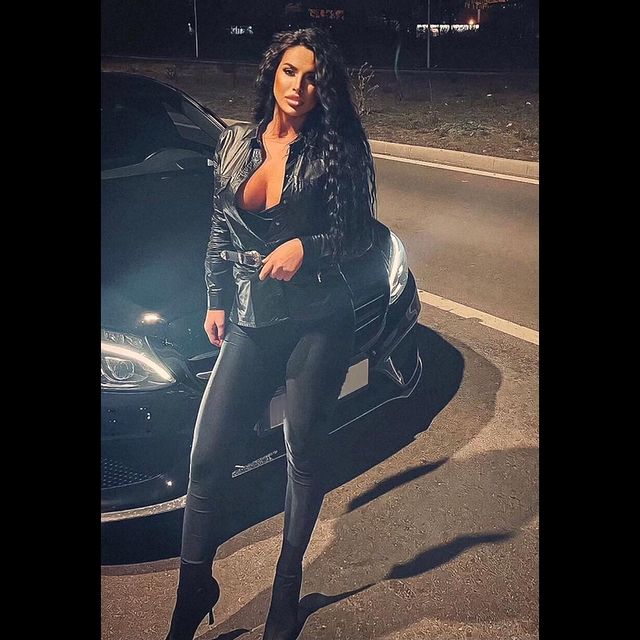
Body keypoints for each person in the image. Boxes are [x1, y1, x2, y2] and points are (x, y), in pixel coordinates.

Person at [165, 26, 378, 640]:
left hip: (319, 322)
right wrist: (215, 298)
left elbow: (359, 235)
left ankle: (286, 586)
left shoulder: (338, 148)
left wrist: (307, 248)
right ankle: (194, 586)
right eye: (290, 71)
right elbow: (220, 224)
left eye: (313, 78)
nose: (299, 87)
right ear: (273, 73)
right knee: (207, 459)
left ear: (324, 88)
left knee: (302, 455)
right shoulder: (235, 140)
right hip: (252, 317)